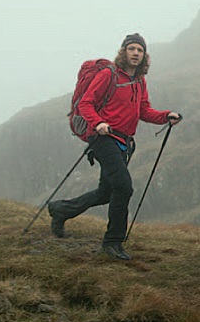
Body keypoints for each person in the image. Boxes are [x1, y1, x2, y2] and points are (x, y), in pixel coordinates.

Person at [48, 33, 182, 260]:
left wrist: (165, 116)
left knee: (106, 193)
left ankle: (61, 210)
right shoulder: (108, 75)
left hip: (124, 143)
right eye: (132, 49)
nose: (136, 53)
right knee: (123, 187)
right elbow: (85, 104)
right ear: (124, 52)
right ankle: (112, 242)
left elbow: (143, 111)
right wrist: (98, 123)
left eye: (140, 50)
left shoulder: (139, 80)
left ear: (144, 55)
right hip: (103, 138)